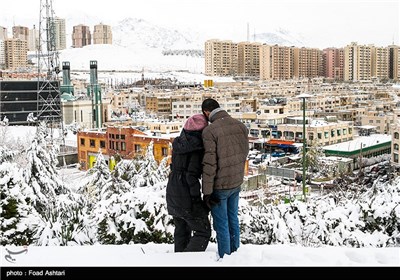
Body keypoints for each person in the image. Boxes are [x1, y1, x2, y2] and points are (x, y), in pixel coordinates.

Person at [201, 98, 249, 259]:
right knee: (233, 220)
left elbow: (209, 164)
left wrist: (207, 193)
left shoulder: (210, 131)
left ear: (206, 112)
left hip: (220, 186)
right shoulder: (240, 126)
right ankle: (235, 256)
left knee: (221, 225)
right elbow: (244, 153)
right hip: (236, 182)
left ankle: (225, 258)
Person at [166, 114, 211, 252]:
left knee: (181, 229)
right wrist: (196, 200)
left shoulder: (179, 144)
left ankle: (179, 259)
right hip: (186, 195)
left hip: (173, 191)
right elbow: (191, 177)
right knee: (203, 232)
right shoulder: (196, 149)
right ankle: (189, 260)